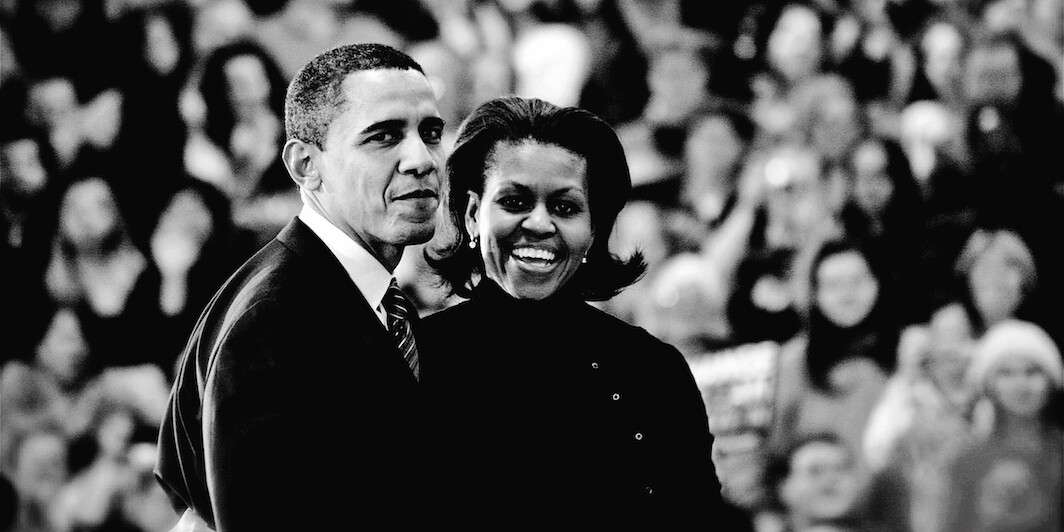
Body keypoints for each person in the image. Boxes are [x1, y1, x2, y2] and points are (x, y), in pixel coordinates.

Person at [154, 42, 445, 531]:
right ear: (306, 166)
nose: (421, 158)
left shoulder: (366, 298)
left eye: (430, 132)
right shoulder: (272, 321)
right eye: (383, 136)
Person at [421, 96, 732, 529]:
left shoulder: (652, 369)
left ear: (593, 230)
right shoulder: (413, 359)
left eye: (565, 208)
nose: (539, 224)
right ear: (474, 215)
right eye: (514, 202)